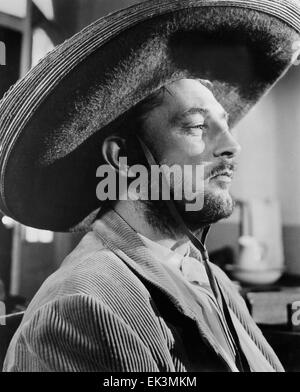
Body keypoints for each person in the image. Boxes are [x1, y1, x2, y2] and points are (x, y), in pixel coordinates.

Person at [1, 0, 300, 372]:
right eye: (196, 127)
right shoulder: (83, 305)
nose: (231, 146)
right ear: (123, 158)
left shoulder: (209, 276)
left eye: (225, 126)